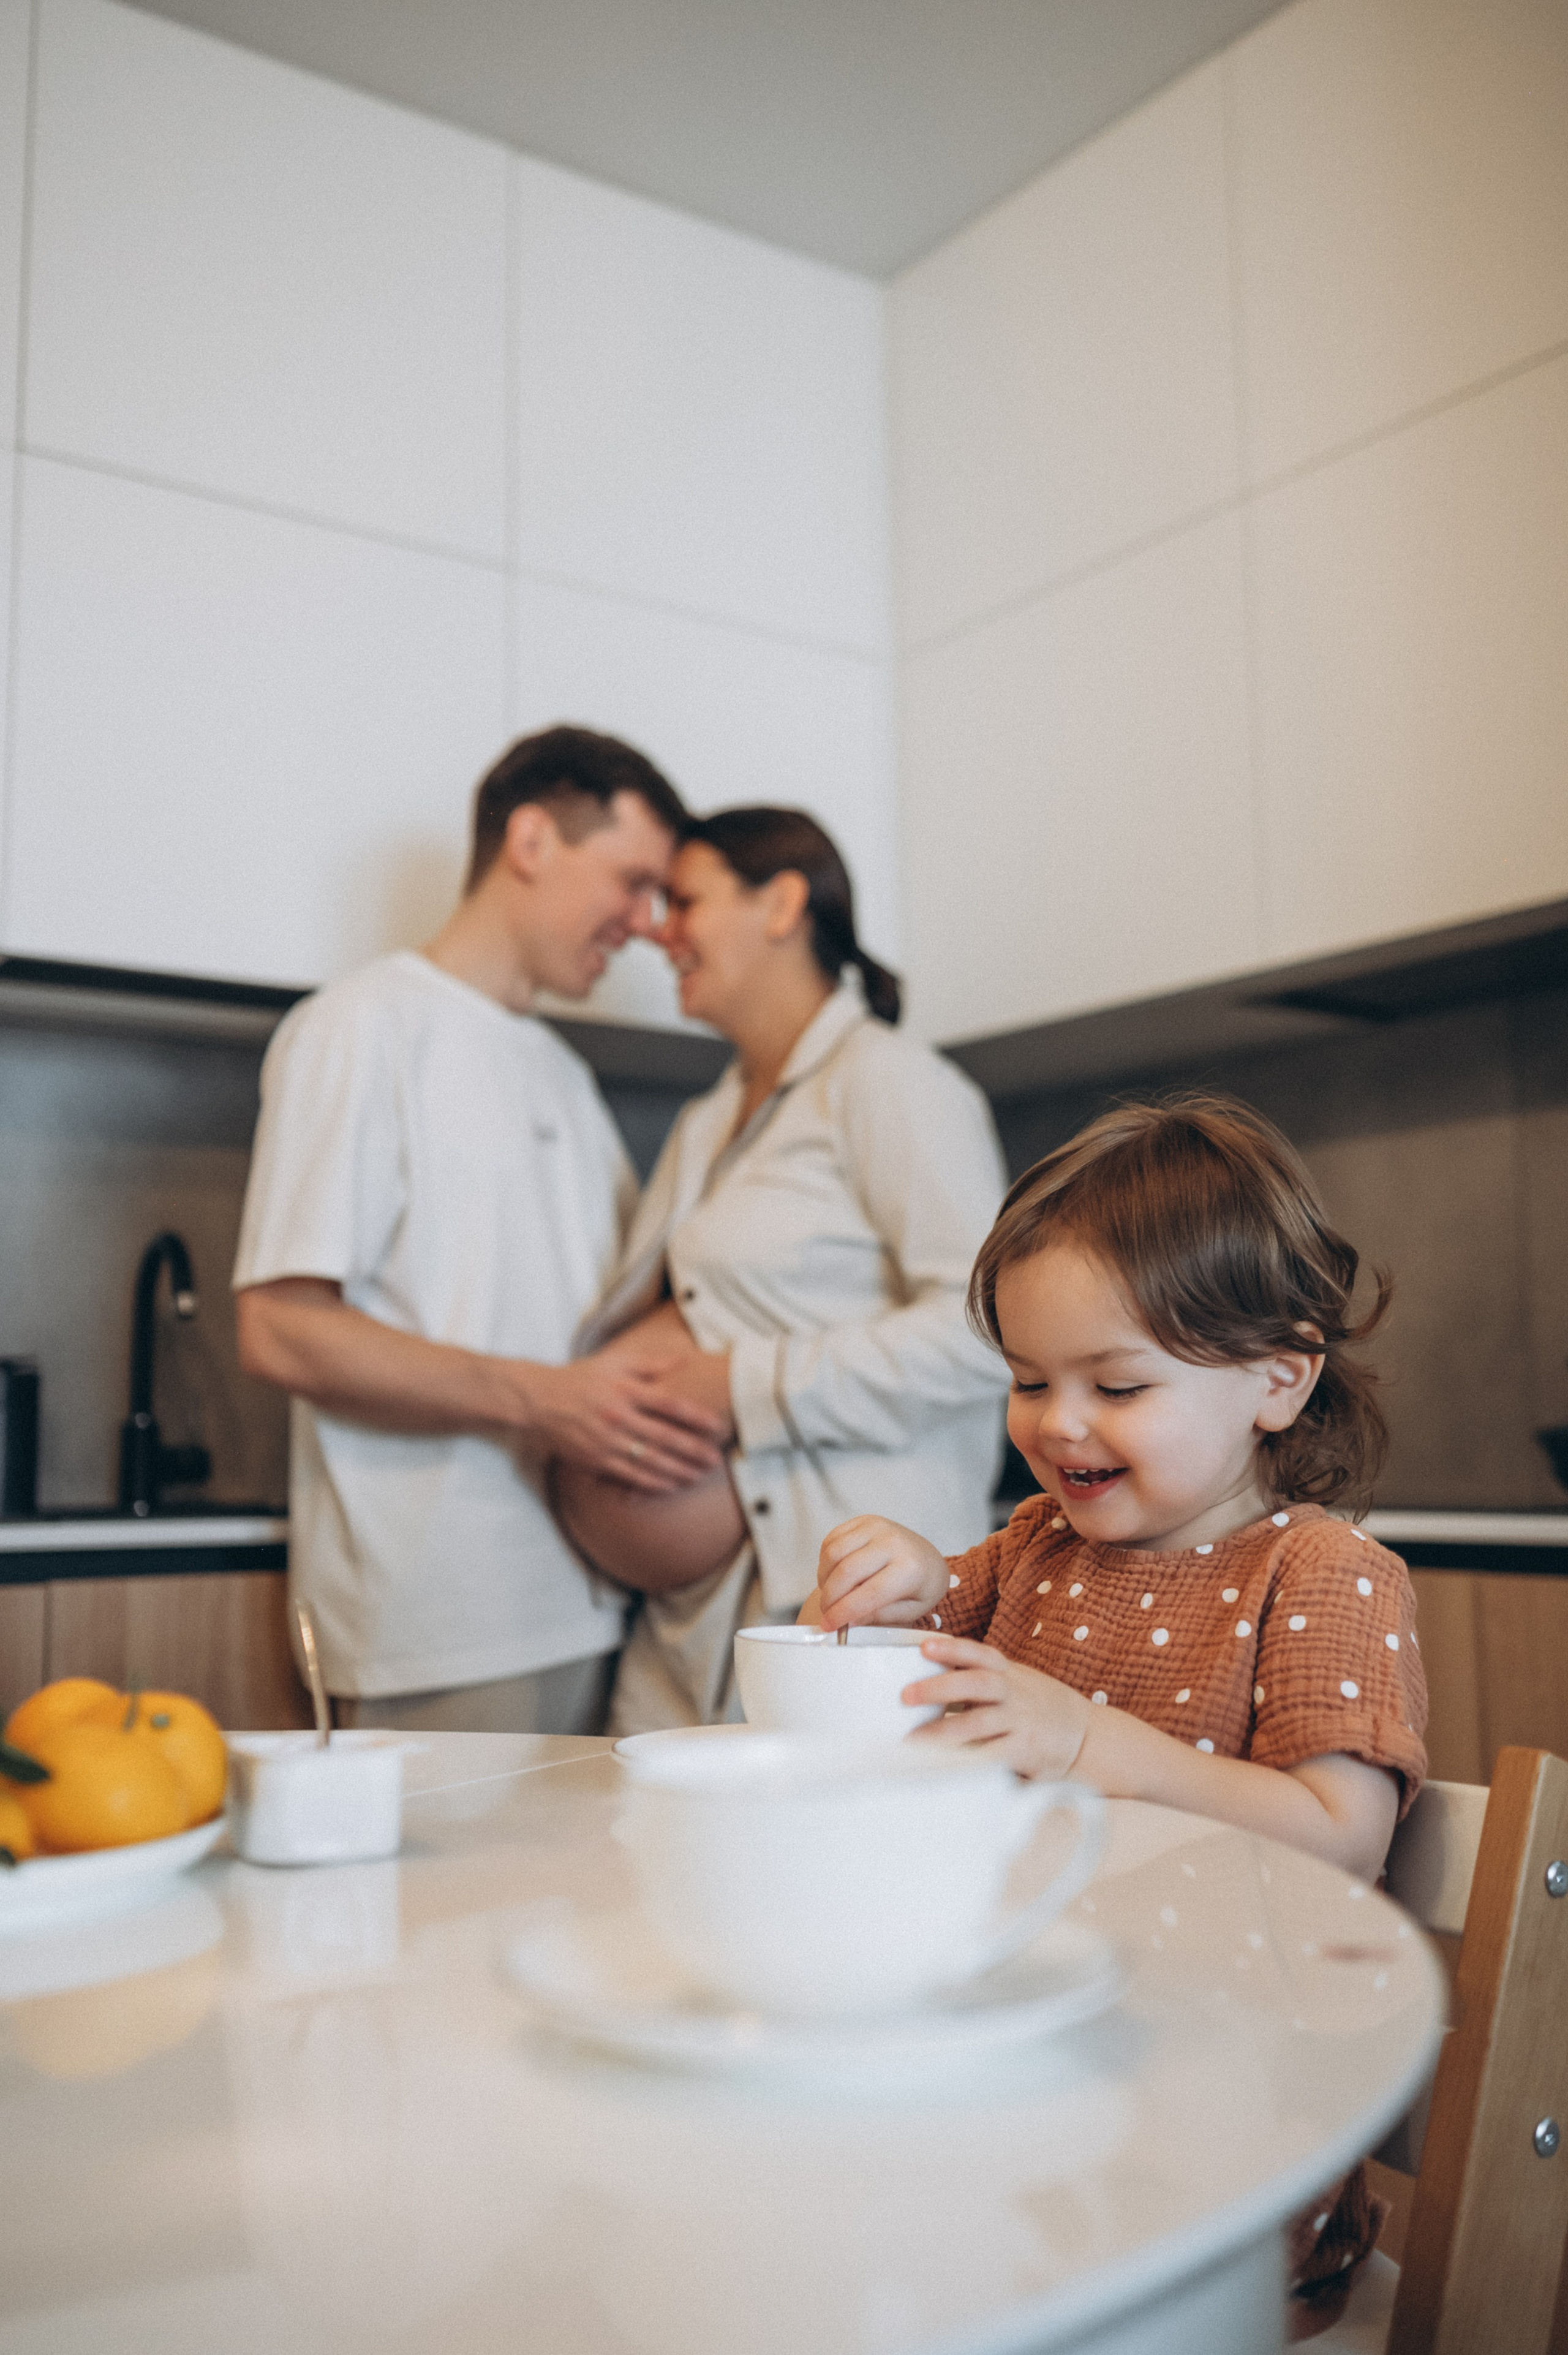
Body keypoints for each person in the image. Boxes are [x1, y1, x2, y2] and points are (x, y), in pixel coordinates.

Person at [807, 1093, 1428, 2319]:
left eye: (1116, 1382)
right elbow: (918, 1659)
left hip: (1220, 2132)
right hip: (1022, 2073)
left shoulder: (1321, 1574)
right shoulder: (1034, 1544)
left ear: (1277, 1377)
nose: (1058, 1421)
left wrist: (1092, 1742)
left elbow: (1338, 1831)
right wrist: (909, 1576)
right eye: (1029, 1379)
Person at [232, 726, 728, 1736]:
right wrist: (547, 1403)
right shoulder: (361, 1027)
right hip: (441, 1623)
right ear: (533, 840)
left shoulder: (564, 1076)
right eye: (632, 882)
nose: (644, 923)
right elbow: (280, 1327)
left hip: (596, 1603)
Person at [557, 806, 1012, 1734]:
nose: (656, 928)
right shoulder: (706, 1119)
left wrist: (740, 1382)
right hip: (691, 1614)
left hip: (841, 1605)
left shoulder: (893, 1084)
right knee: (645, 1860)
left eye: (683, 900)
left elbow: (984, 1335)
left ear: (783, 903)